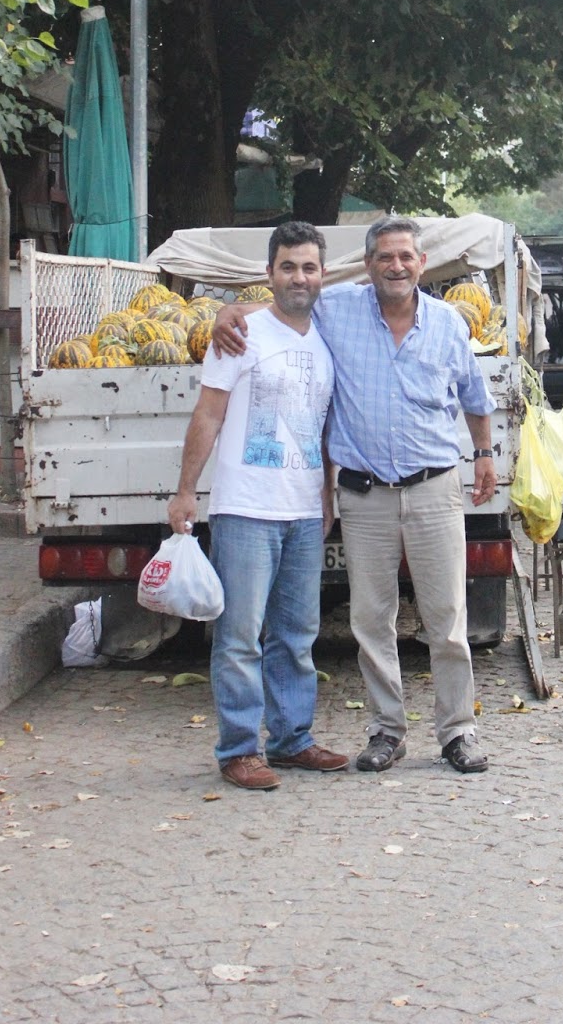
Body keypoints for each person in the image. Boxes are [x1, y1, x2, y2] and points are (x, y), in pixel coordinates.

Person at [212, 215, 496, 777]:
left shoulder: (447, 323)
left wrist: (485, 453)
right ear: (368, 265)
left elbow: (474, 395)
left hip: (435, 488)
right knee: (372, 621)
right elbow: (282, 304)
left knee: (446, 619)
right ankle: (387, 732)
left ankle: (457, 732)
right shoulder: (336, 310)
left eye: (406, 257)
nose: (396, 266)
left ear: (422, 264)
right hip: (364, 496)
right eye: (385, 257)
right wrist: (226, 311)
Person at [167, 222, 347, 792]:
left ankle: (292, 740)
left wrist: (327, 496)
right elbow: (209, 414)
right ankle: (239, 749)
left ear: (323, 274)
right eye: (289, 266)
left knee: (296, 634)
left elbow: (321, 429)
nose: (300, 277)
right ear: (269, 273)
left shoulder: (327, 337)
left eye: (310, 267)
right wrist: (185, 490)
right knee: (240, 637)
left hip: (302, 511)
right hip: (245, 509)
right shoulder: (240, 334)